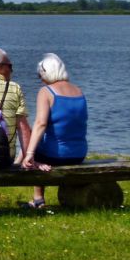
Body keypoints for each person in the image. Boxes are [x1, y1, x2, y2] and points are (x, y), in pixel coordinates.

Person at [21, 53, 88, 208]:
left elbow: (40, 124)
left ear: (46, 73)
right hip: (79, 154)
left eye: (40, 75)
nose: (40, 80)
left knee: (34, 145)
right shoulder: (79, 91)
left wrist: (30, 154)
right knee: (38, 141)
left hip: (56, 155)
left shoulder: (46, 92)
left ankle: (38, 199)